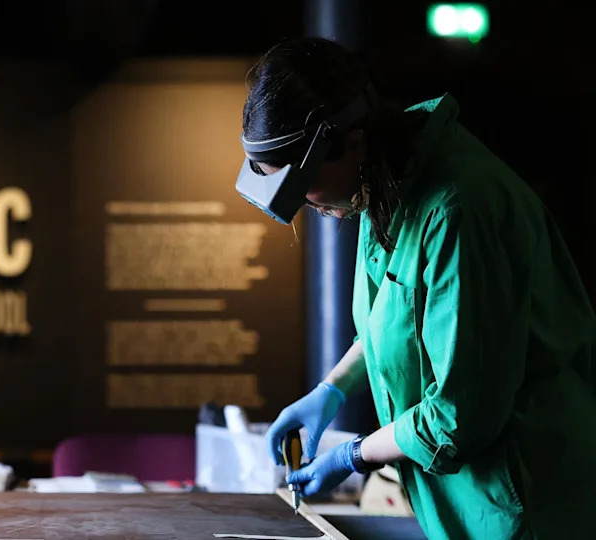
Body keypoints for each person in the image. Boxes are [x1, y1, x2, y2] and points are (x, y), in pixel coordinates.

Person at [242, 37, 596, 539]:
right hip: (470, 503)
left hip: (529, 500)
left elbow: (458, 417)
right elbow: (397, 320)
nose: (305, 206)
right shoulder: (383, 185)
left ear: (355, 142)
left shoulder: (458, 210)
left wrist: (354, 454)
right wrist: (331, 390)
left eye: (303, 189)